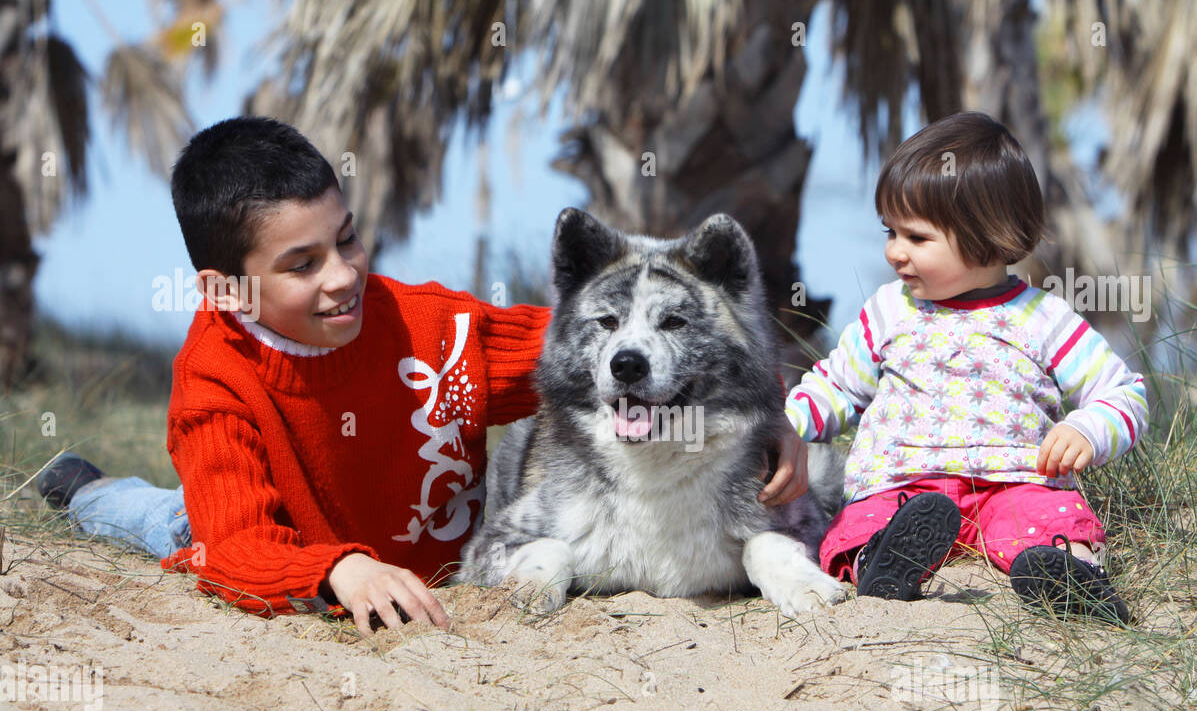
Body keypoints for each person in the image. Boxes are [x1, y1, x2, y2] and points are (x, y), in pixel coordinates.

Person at [36, 116, 810, 634]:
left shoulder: (429, 326)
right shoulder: (214, 385)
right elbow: (239, 546)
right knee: (167, 523)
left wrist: (764, 410)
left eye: (348, 240)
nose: (343, 277)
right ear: (225, 289)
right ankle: (92, 493)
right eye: (303, 264)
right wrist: (338, 565)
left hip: (430, 569)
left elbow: (595, 351)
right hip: (295, 550)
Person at [784, 112, 1147, 622]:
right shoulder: (890, 311)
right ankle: (882, 563)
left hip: (1015, 480)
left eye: (916, 238)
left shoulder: (1041, 317)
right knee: (865, 518)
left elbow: (1123, 392)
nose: (893, 252)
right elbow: (838, 387)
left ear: (984, 237)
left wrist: (1088, 428)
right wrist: (789, 424)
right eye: (890, 232)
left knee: (1048, 518)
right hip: (903, 484)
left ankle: (1068, 573)